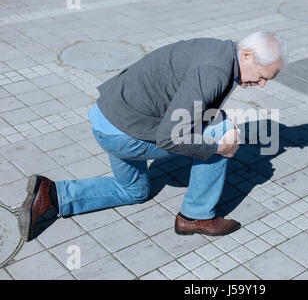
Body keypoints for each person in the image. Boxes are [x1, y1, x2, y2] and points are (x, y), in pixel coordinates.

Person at [18, 31, 286, 241]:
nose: (261, 85)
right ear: (248, 55)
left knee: (134, 190)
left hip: (110, 117)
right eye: (263, 77)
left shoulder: (219, 51)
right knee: (222, 131)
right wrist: (218, 147)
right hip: (123, 132)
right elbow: (170, 138)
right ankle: (196, 216)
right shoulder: (214, 71)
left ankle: (52, 195)